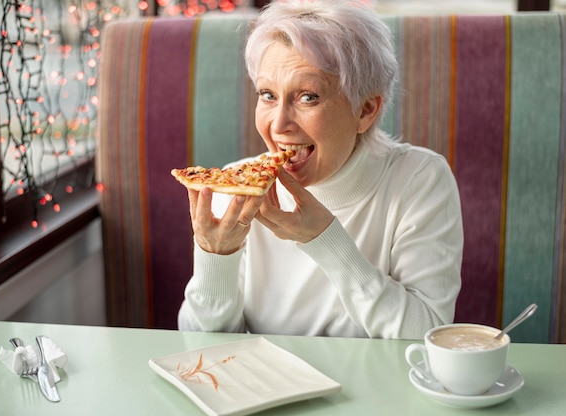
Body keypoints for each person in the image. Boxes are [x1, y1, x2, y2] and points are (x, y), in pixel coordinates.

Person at [177, 0, 463, 339]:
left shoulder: (419, 180)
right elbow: (199, 344)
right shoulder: (238, 188)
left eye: (307, 97)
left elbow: (429, 335)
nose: (280, 124)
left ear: (366, 110)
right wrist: (216, 258)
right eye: (268, 95)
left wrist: (323, 238)